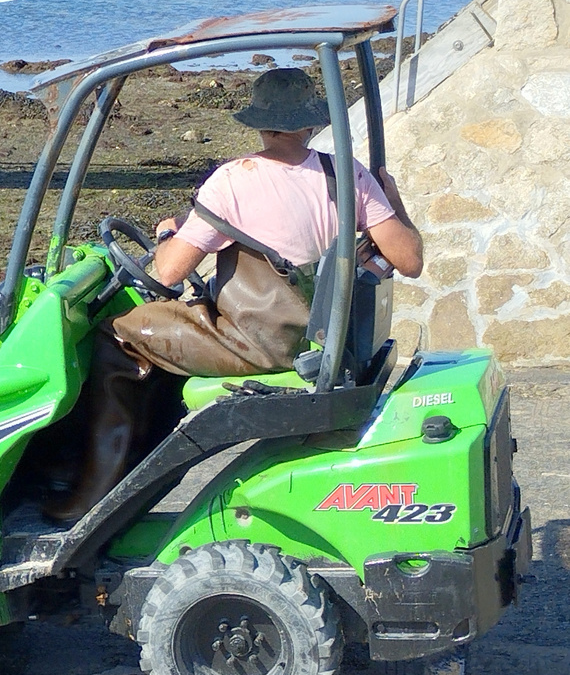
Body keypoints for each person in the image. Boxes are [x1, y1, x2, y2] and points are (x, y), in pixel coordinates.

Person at [43, 67, 423, 523]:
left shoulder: (233, 180)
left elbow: (167, 273)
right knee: (166, 335)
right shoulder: (344, 174)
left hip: (257, 342)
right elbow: (411, 260)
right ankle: (127, 469)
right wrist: (394, 201)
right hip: (321, 339)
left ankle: (93, 492)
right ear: (310, 123)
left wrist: (168, 233)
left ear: (260, 125)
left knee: (118, 337)